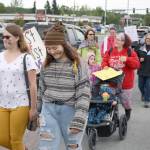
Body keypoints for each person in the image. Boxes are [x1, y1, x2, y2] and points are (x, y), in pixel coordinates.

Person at [37, 22, 91, 150]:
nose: (52, 52)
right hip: (48, 110)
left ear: (64, 44)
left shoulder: (78, 64)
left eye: (55, 48)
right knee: (46, 147)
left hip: (71, 111)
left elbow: (83, 93)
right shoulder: (46, 64)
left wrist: (79, 119)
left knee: (73, 147)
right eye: (48, 49)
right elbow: (41, 89)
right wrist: (37, 112)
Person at [0, 24, 37, 150]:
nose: (4, 39)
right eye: (2, 36)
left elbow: (33, 85)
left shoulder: (26, 58)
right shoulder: (0, 56)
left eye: (7, 37)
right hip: (2, 103)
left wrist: (33, 108)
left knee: (16, 140)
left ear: (17, 38)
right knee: (2, 138)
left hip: (21, 103)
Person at [101, 32, 140, 121]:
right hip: (112, 82)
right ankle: (112, 115)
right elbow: (105, 60)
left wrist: (127, 59)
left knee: (125, 102)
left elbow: (137, 65)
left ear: (123, 42)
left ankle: (128, 111)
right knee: (110, 101)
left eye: (118, 39)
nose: (116, 41)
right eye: (116, 39)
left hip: (125, 83)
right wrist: (105, 66)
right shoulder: (110, 50)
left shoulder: (130, 51)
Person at [135, 33, 150, 108]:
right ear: (145, 39)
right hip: (141, 71)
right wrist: (138, 59)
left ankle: (147, 101)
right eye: (147, 39)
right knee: (140, 86)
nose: (148, 40)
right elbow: (134, 56)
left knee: (148, 86)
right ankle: (143, 94)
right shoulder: (140, 48)